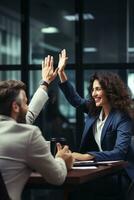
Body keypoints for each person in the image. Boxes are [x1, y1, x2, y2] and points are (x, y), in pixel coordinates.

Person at [56, 49, 134, 199]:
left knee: (81, 190)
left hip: (119, 174)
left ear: (109, 91)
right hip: (101, 170)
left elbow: (119, 153)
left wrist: (86, 156)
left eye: (98, 89)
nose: (93, 94)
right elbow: (75, 100)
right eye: (92, 90)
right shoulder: (94, 111)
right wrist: (61, 73)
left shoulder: (122, 117)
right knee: (74, 188)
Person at [0, 56, 74, 200]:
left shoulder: (16, 126)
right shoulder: (27, 134)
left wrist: (45, 82)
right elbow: (57, 177)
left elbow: (29, 115)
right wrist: (61, 159)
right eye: (25, 103)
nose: (28, 108)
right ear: (15, 107)